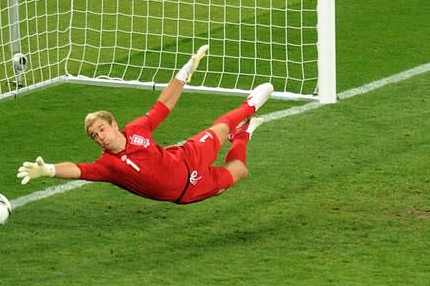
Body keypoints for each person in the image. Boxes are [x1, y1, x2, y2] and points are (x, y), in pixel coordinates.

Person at [17, 45, 274, 204]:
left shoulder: (138, 129)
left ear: (114, 124)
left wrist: (184, 73)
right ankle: (243, 135)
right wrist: (48, 170)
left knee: (220, 129)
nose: (100, 137)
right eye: (94, 136)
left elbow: (163, 106)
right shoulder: (108, 166)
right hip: (188, 191)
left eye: (101, 129)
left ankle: (249, 106)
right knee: (239, 169)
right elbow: (77, 170)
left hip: (186, 157)